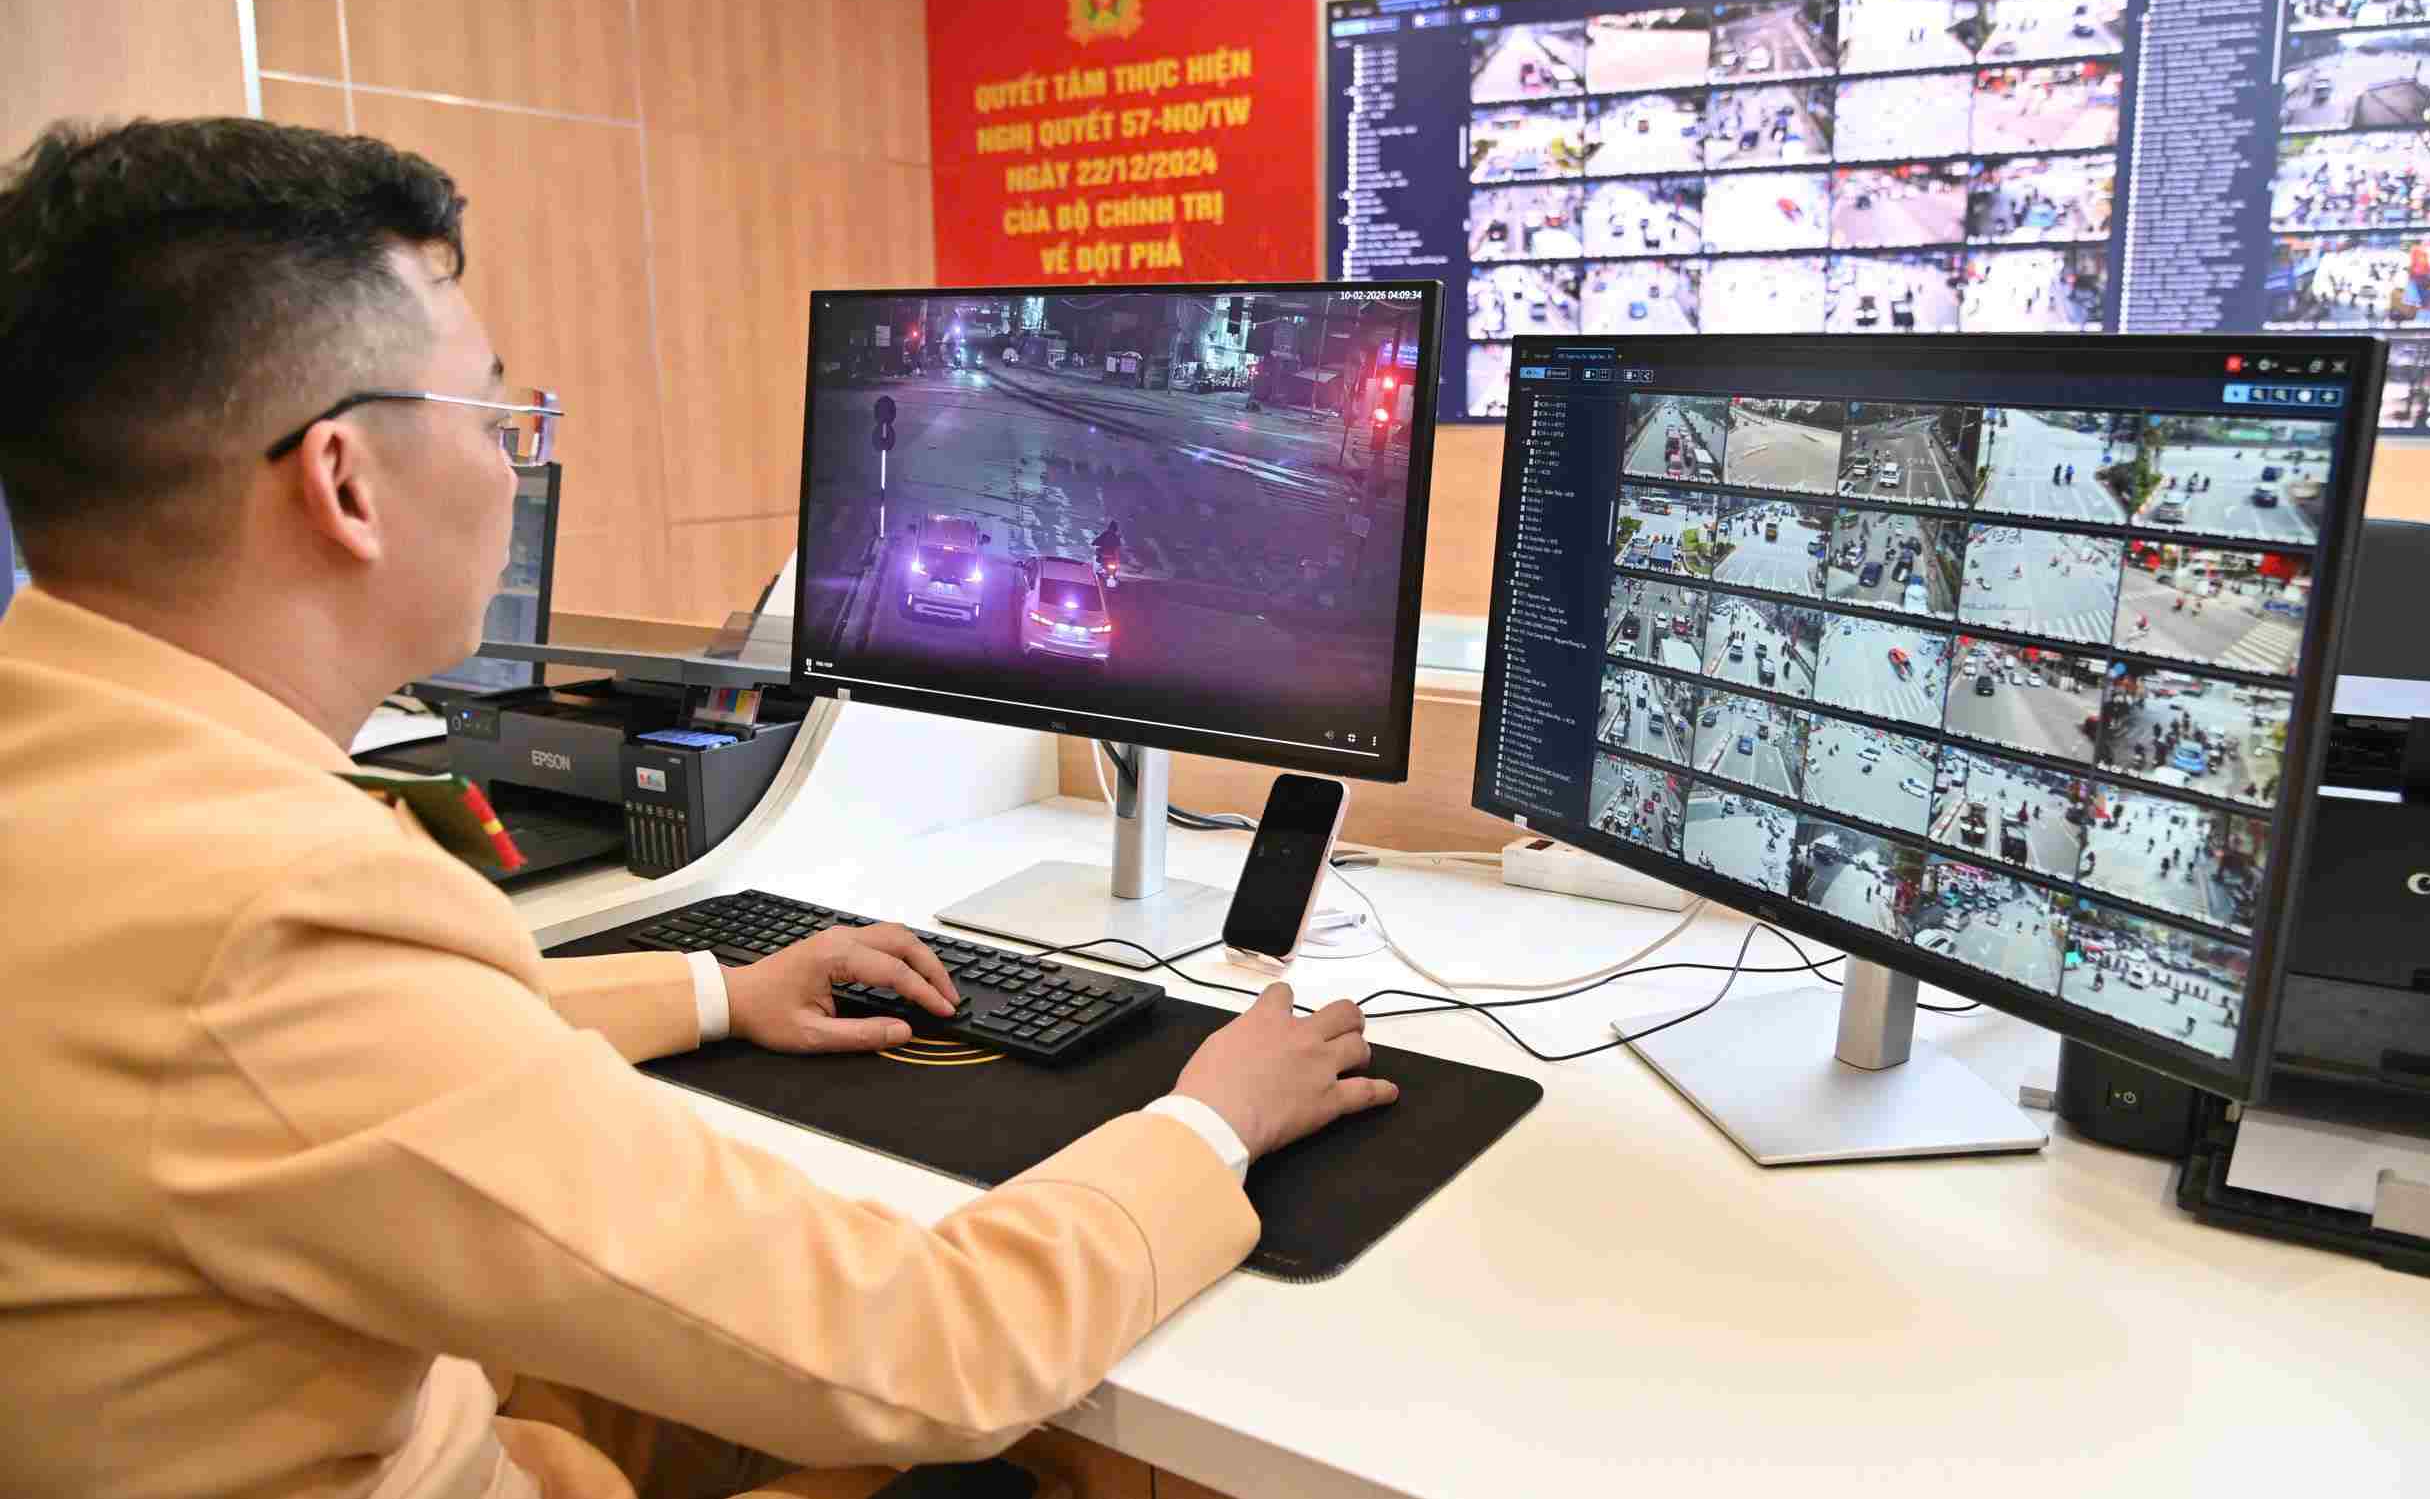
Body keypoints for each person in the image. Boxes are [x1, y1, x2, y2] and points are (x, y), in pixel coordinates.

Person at [0, 119, 1398, 1499]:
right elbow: (926, 1346)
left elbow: (377, 1055)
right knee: (1029, 1466)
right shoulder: (278, 912)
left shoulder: (75, 775)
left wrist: (723, 993)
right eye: (498, 414)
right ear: (345, 483)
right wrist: (1207, 1123)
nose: (515, 461)